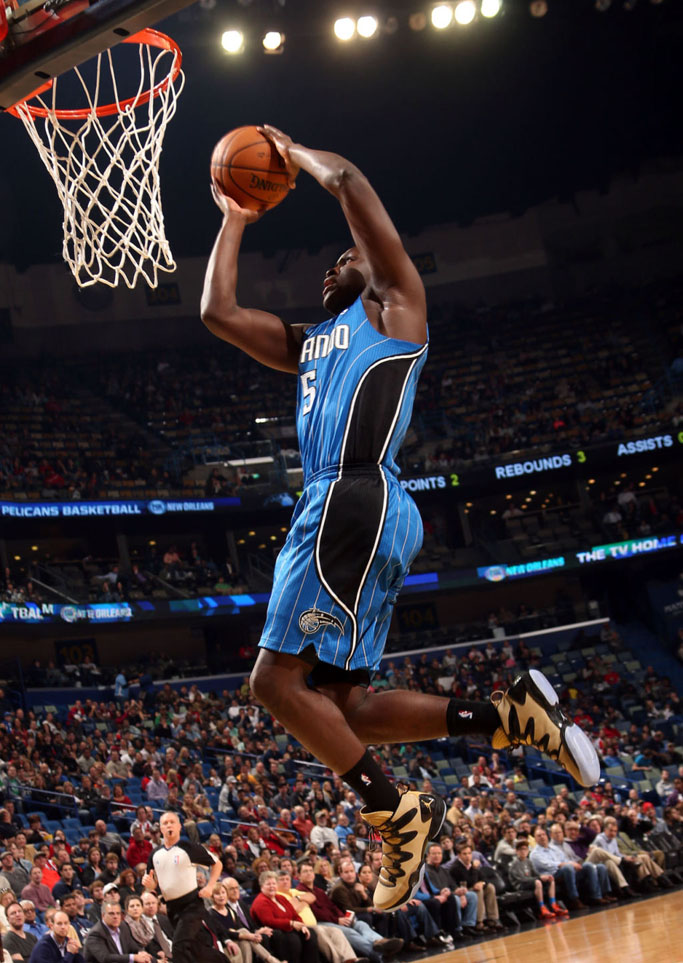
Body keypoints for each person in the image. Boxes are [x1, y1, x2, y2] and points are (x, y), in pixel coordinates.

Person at [200, 125, 600, 913]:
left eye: (342, 259)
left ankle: (396, 817)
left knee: (272, 683)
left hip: (350, 497)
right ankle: (508, 715)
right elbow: (217, 311)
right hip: (367, 509)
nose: (330, 264)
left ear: (374, 272)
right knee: (343, 706)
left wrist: (289, 153)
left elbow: (346, 178)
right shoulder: (310, 342)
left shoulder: (395, 309)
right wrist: (236, 216)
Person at [141, 813, 224, 963]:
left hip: (191, 905)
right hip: (172, 908)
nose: (169, 825)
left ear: (179, 826)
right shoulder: (155, 854)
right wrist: (151, 885)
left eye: (172, 822)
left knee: (179, 947)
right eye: (165, 823)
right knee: (195, 949)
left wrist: (210, 886)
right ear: (160, 828)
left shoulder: (189, 848)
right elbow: (153, 884)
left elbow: (217, 864)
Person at [82, 902, 149, 963]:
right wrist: (133, 957)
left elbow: (132, 945)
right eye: (111, 913)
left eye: (118, 913)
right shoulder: (95, 934)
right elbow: (105, 958)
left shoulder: (123, 926)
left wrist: (141, 952)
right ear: (103, 916)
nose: (115, 917)